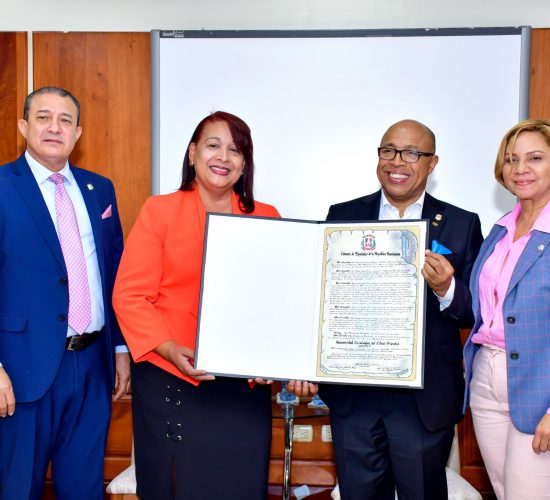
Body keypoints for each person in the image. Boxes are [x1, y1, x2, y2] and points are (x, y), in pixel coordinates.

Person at [290, 119, 483, 499]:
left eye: (411, 153)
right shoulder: (342, 215)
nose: (397, 161)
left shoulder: (461, 224)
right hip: (354, 397)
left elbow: (473, 312)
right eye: (388, 150)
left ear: (432, 163)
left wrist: (446, 288)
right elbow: (320, 298)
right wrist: (302, 363)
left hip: (423, 401)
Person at [113, 111, 280, 499]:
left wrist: (273, 358)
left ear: (244, 164)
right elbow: (130, 295)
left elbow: (275, 300)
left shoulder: (267, 217)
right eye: (213, 145)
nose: (223, 157)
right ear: (192, 153)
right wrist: (169, 349)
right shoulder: (160, 211)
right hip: (174, 376)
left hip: (243, 390)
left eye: (235, 150)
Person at [0, 86, 130, 500]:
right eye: (43, 117)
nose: (54, 127)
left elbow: (114, 270)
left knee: (84, 488)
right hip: (20, 369)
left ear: (78, 134)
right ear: (24, 127)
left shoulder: (100, 189)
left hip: (92, 365)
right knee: (18, 488)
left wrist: (120, 348)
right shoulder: (2, 186)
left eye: (65, 120)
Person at [463, 119, 550, 499]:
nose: (520, 169)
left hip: (540, 387)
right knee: (502, 491)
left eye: (535, 158)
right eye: (512, 159)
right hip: (486, 375)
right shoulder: (499, 231)